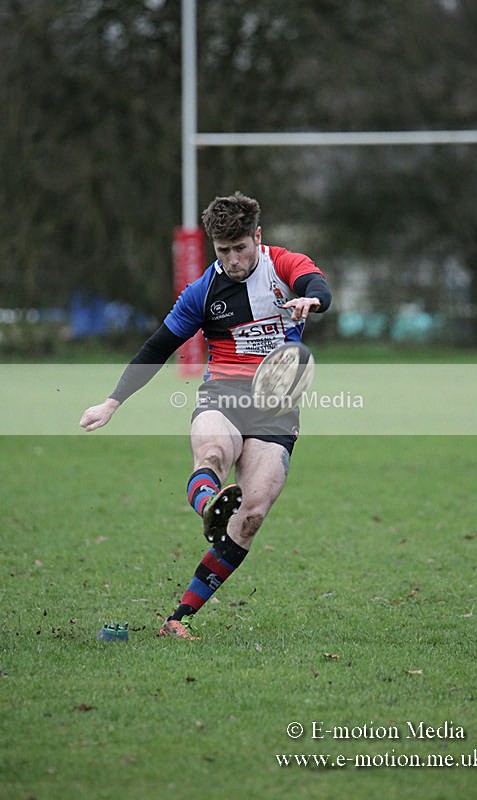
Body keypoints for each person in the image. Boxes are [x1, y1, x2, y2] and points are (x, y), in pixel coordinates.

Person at [80, 191, 332, 639]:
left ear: (257, 236)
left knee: (252, 514)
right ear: (214, 247)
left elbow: (318, 285)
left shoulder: (284, 264)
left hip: (276, 410)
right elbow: (157, 347)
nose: (233, 260)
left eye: (240, 248)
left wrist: (310, 301)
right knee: (213, 452)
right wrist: (112, 401)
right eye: (223, 251)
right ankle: (208, 506)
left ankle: (179, 618)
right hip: (225, 396)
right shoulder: (203, 292)